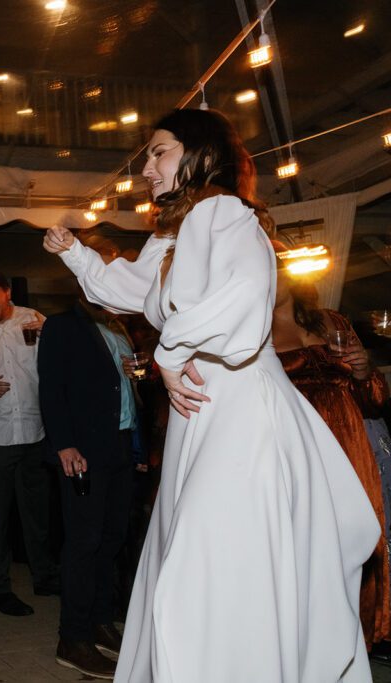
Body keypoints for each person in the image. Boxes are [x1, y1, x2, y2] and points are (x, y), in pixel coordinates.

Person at [42, 108, 378, 682]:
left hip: (240, 413)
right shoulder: (174, 233)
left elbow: (243, 301)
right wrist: (75, 252)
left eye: (159, 151)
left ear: (200, 156)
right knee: (203, 562)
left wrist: (169, 355)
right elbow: (129, 289)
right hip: (202, 414)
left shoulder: (222, 211)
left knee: (213, 564)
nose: (146, 166)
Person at [271, 263, 390, 648]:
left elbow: (374, 401)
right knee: (309, 548)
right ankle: (314, 642)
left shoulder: (330, 321)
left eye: (277, 266)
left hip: (351, 445)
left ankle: (358, 638)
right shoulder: (249, 332)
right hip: (296, 451)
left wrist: (362, 371)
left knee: (358, 540)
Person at [39, 295, 139, 679]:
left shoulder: (118, 327)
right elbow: (51, 387)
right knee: (84, 541)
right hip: (82, 450)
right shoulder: (62, 325)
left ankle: (99, 622)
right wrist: (64, 444)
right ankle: (73, 637)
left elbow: (121, 390)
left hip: (119, 445)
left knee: (112, 538)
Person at [0, 268, 58, 618]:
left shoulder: (33, 319)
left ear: (7, 292)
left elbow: (52, 366)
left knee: (37, 514)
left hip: (35, 431)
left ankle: (45, 577)